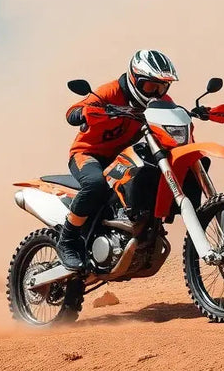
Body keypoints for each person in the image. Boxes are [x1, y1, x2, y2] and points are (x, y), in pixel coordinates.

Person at [56, 49, 179, 271]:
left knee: (149, 175)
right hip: (87, 154)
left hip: (119, 158)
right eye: (151, 86)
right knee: (95, 185)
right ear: (134, 79)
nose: (156, 94)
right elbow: (72, 112)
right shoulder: (111, 91)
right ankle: (67, 241)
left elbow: (172, 116)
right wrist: (85, 113)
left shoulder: (160, 101)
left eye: (162, 88)